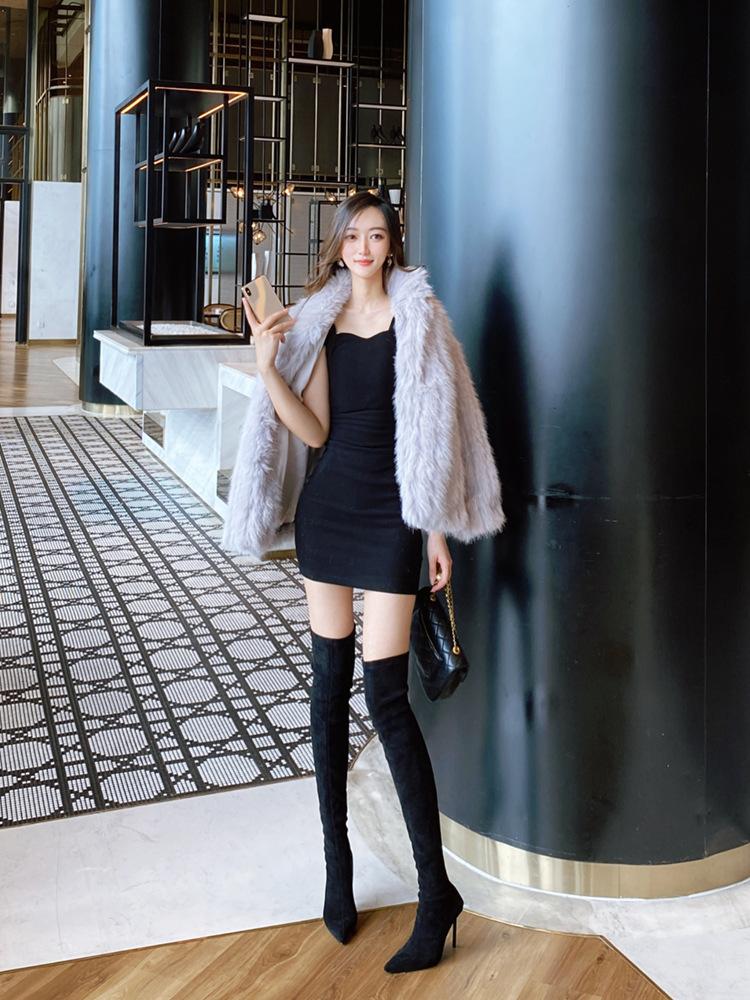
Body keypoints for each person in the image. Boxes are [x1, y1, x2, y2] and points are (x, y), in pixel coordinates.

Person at [234, 191, 505, 974]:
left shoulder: (420, 319)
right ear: (340, 244)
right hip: (330, 511)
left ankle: (436, 893)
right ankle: (338, 866)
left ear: (392, 245)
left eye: (376, 235)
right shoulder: (320, 321)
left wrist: (435, 529)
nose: (362, 246)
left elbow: (439, 427)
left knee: (386, 699)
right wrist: (267, 369)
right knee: (326, 690)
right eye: (352, 235)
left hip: (393, 515)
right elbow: (313, 428)